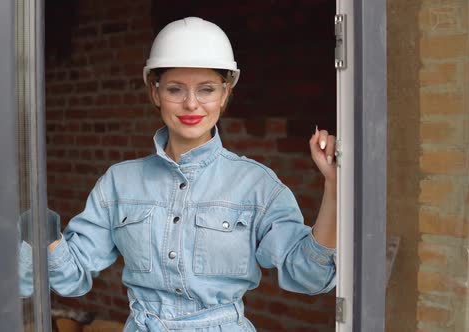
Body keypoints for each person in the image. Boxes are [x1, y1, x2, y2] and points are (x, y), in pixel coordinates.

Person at [42, 17, 337, 332]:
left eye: (206, 89)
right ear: (155, 93)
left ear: (224, 95)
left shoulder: (256, 185)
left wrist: (334, 185)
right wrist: (37, 226)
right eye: (175, 89)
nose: (191, 103)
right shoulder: (119, 183)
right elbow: (72, 276)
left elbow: (310, 275)